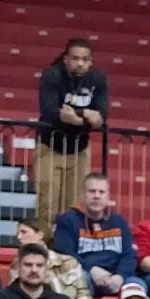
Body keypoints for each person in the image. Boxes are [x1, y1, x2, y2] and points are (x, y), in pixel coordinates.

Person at [33, 38, 107, 218]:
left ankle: (69, 245)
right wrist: (85, 116)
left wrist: (76, 118)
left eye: (85, 59)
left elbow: (101, 116)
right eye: (75, 58)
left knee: (74, 207)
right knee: (47, 205)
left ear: (91, 61)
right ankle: (44, 243)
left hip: (79, 149)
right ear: (66, 59)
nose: (80, 63)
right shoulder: (52, 75)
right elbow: (50, 111)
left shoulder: (98, 79)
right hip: (50, 147)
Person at [53, 173, 136, 299]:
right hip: (84, 273)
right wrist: (91, 269)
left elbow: (129, 255)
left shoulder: (119, 222)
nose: (96, 196)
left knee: (136, 286)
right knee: (78, 279)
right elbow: (66, 254)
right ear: (83, 194)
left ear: (108, 196)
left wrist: (120, 276)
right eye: (92, 191)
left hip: (115, 276)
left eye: (101, 192)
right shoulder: (68, 220)